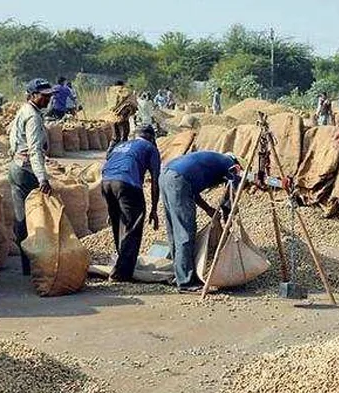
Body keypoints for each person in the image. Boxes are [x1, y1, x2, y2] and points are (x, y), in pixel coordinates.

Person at [159, 151, 243, 292]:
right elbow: (232, 194)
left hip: (165, 176)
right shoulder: (230, 165)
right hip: (178, 179)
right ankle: (186, 282)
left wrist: (208, 209)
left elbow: (190, 189)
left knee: (175, 231)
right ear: (237, 164)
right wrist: (230, 216)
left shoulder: (210, 161)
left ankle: (179, 274)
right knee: (185, 232)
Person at [100, 124, 161, 282]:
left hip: (106, 182)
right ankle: (121, 274)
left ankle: (120, 263)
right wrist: (154, 209)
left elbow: (109, 159)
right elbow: (155, 181)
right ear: (152, 138)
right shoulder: (150, 148)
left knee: (118, 224)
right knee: (133, 227)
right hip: (127, 184)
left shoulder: (123, 145)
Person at [8, 78, 55, 275]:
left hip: (17, 166)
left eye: (49, 95)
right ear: (32, 95)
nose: (48, 99)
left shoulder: (25, 111)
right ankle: (32, 264)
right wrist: (42, 178)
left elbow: (12, 138)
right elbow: (35, 150)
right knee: (32, 218)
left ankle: (27, 265)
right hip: (27, 171)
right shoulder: (33, 118)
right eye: (44, 96)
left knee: (22, 218)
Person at [109, 81, 137, 146]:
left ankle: (110, 153)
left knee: (116, 138)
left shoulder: (113, 93)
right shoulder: (125, 94)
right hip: (121, 118)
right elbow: (133, 106)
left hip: (115, 118)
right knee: (123, 138)